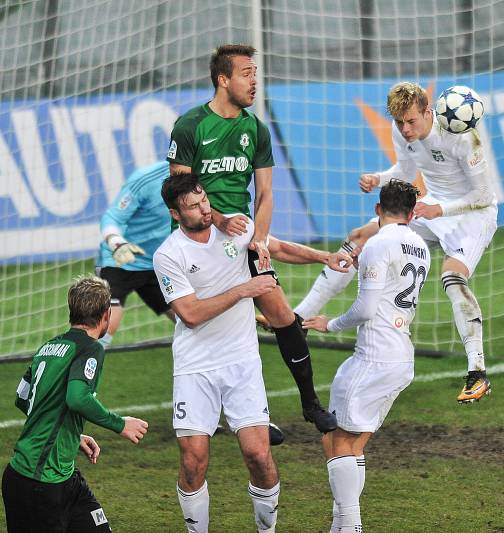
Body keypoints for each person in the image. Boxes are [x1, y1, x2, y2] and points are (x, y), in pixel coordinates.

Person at [167, 43, 337, 432]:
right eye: (246, 74)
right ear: (222, 79)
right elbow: (179, 189)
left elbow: (265, 194)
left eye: (256, 74)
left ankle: (309, 404)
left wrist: (259, 239)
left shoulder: (255, 129)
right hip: (200, 238)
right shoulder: (190, 126)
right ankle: (239, 413)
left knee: (280, 313)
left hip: (240, 237)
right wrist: (220, 218)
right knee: (206, 325)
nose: (254, 81)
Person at [296, 81, 498, 404]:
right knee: (360, 238)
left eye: (411, 121)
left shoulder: (464, 137)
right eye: (399, 121)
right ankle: (299, 319)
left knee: (452, 277)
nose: (404, 129)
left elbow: (484, 196)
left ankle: (477, 372)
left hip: (472, 214)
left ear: (427, 112)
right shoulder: (399, 129)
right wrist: (379, 178)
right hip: (432, 208)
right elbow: (403, 170)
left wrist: (439, 208)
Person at [153, 173, 283, 533]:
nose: (204, 209)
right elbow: (191, 315)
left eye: (204, 200)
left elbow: (276, 246)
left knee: (258, 455)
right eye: (193, 206)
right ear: (175, 214)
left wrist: (324, 256)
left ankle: (267, 530)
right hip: (195, 366)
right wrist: (245, 290)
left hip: (242, 362)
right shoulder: (168, 255)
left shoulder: (233, 228)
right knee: (193, 460)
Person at [303, 179, 430, 533]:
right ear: (413, 213)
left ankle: (351, 526)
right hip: (401, 356)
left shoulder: (378, 244)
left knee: (335, 440)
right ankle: (341, 525)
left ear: (378, 210)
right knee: (353, 444)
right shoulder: (422, 247)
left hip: (374, 356)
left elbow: (366, 308)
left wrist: (330, 324)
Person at [2, 276, 149, 533]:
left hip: (58, 478)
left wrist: (71, 433)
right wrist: (120, 424)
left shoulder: (49, 346)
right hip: (41, 482)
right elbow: (77, 397)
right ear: (106, 314)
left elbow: (24, 397)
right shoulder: (90, 349)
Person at [95, 160, 175, 348]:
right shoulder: (146, 179)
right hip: (122, 261)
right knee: (104, 328)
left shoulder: (208, 178)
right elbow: (112, 217)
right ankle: (77, 373)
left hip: (159, 263)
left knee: (191, 320)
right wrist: (116, 242)